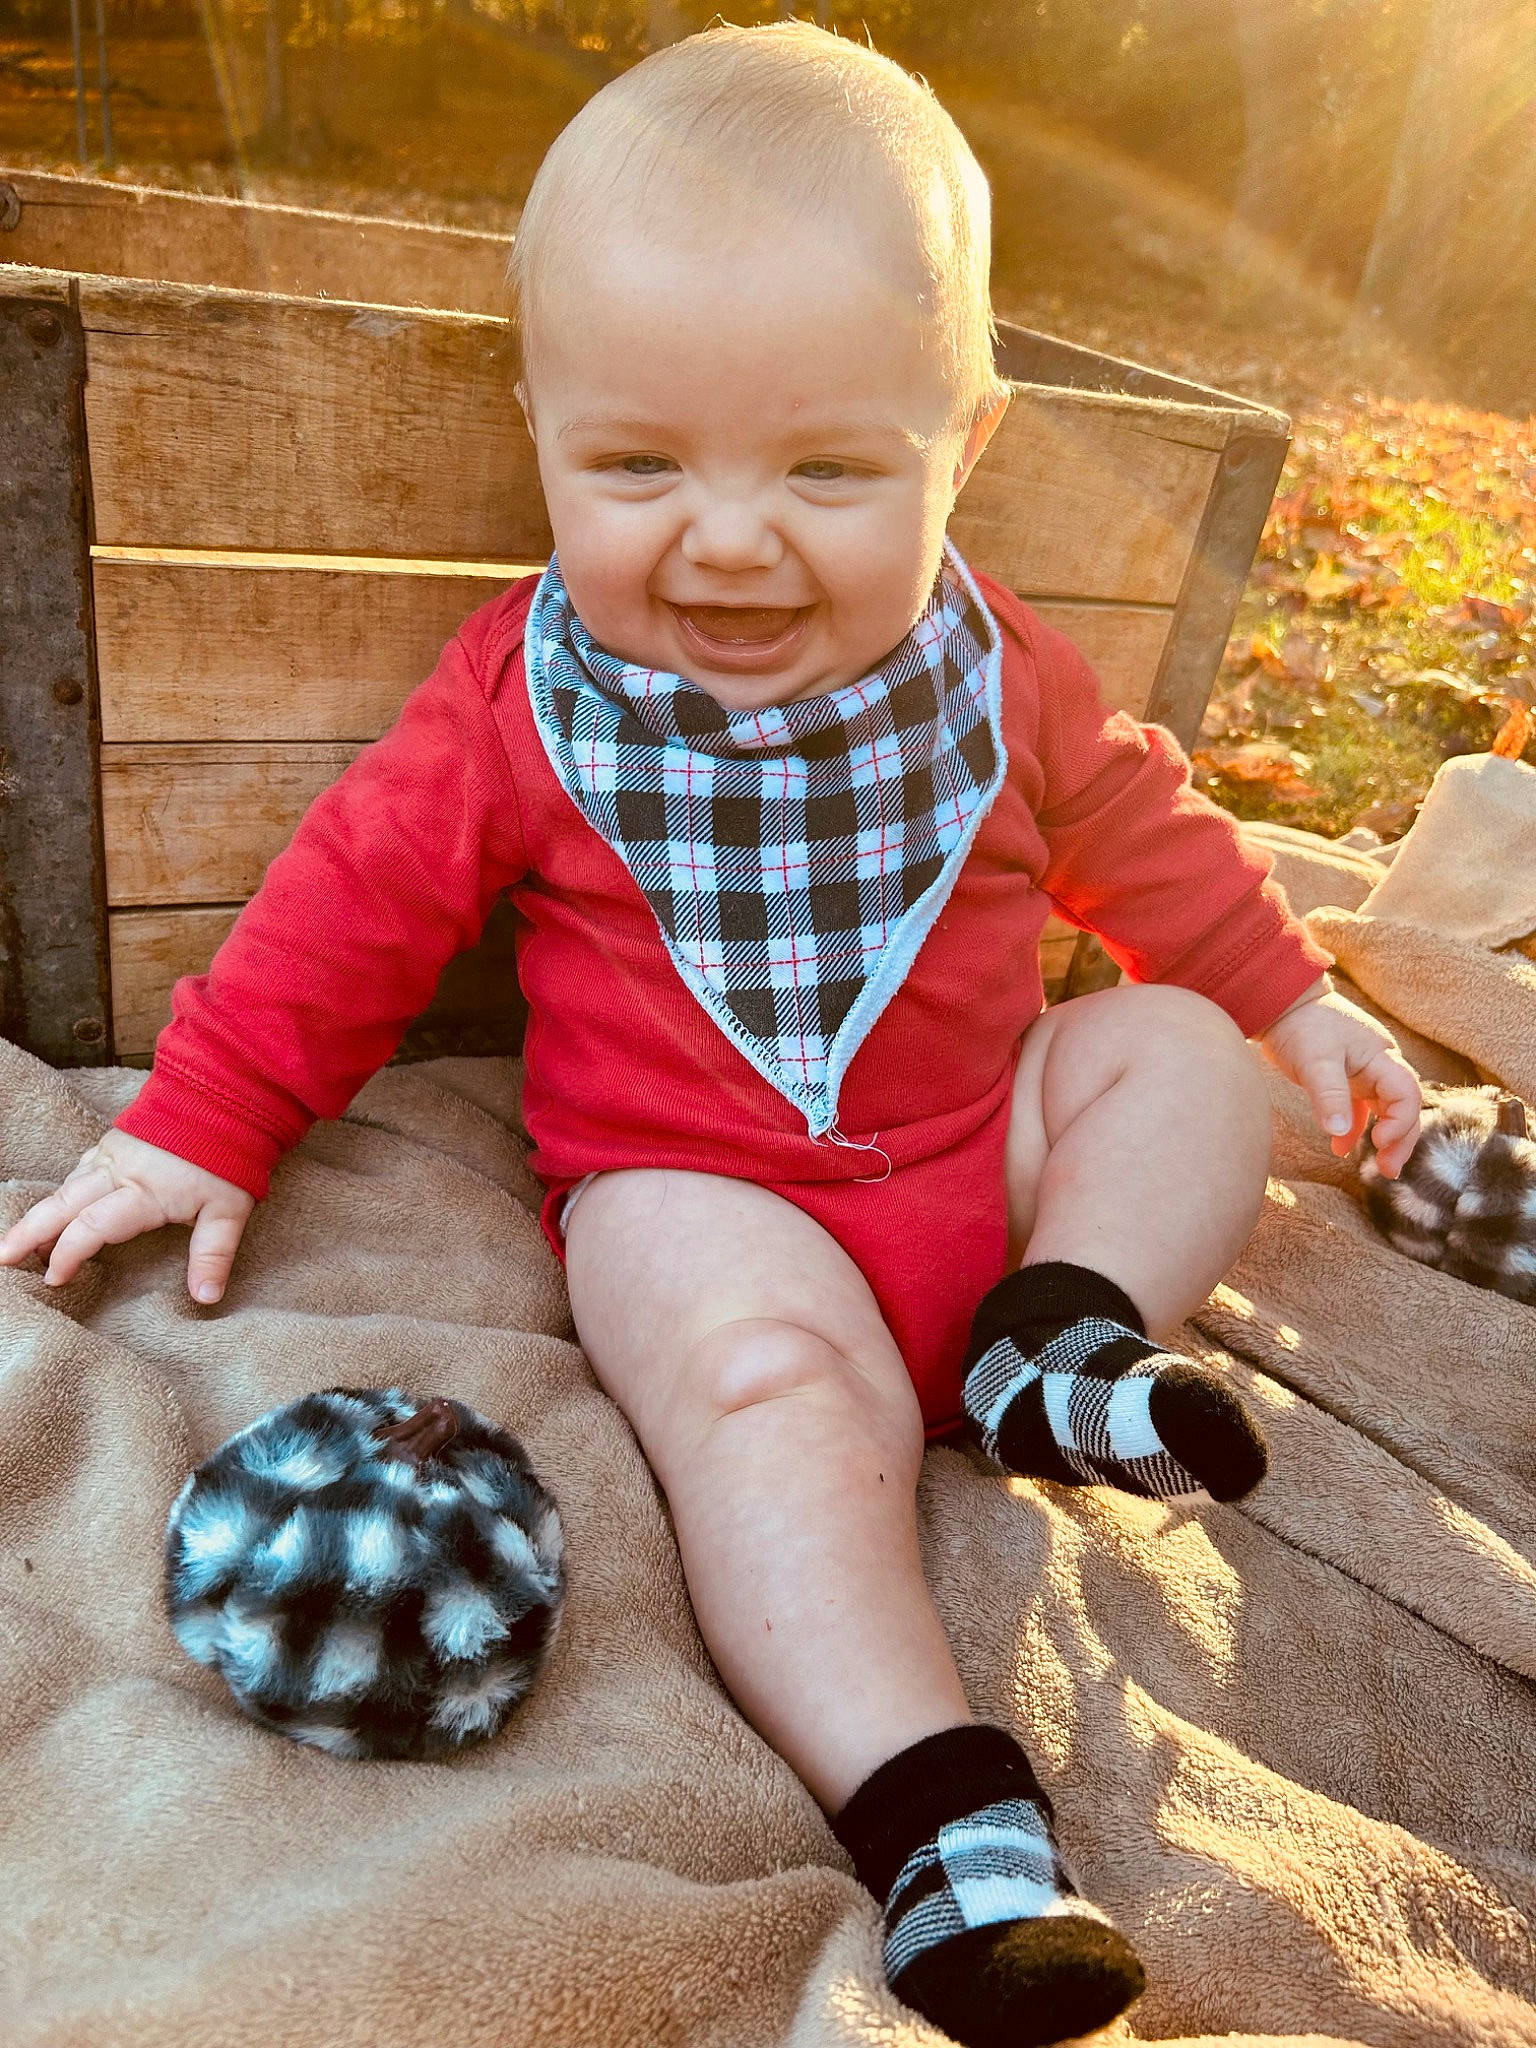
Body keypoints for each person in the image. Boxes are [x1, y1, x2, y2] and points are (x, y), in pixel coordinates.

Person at [0, 23, 1422, 2046]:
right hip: (710, 1189)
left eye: (831, 471)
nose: (732, 539)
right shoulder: (533, 699)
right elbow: (354, 899)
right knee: (763, 1398)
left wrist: (1289, 997)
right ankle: (948, 1816)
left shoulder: (994, 665)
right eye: (640, 466)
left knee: (1176, 1046)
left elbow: (1147, 835)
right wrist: (206, 1114)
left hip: (986, 1162)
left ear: (971, 446)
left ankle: (1066, 1329)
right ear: (542, 426)